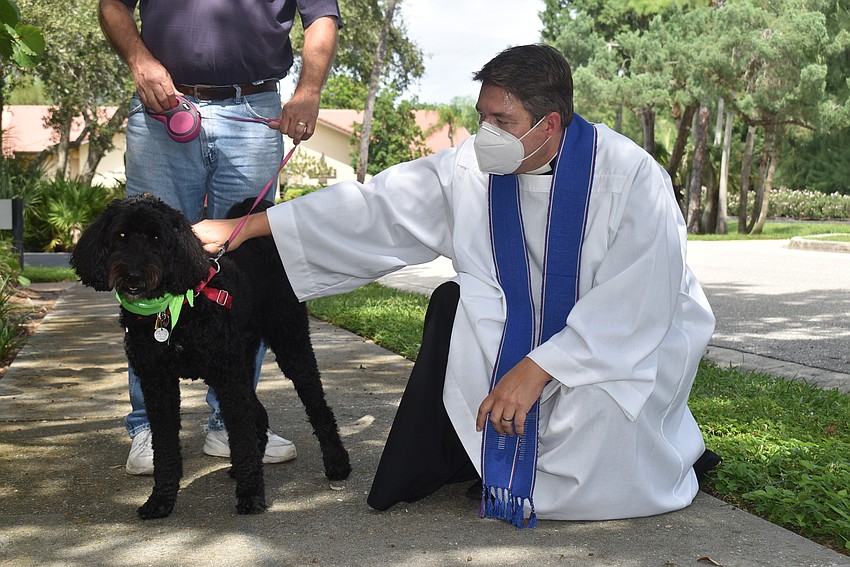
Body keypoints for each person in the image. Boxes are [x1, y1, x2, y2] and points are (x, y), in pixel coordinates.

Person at [192, 44, 719, 526]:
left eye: (501, 119)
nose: (484, 132)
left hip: (611, 340)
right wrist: (253, 227)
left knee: (605, 421)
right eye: (482, 116)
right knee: (464, 328)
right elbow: (379, 208)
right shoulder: (473, 168)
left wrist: (540, 368)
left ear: (550, 124)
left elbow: (638, 296)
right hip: (512, 322)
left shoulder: (630, 177)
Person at [98, 0, 342, 475]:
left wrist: (309, 89)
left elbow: (321, 17)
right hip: (161, 107)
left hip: (255, 108)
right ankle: (147, 425)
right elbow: (113, 5)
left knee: (242, 271)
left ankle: (231, 422)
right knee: (141, 264)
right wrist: (140, 61)